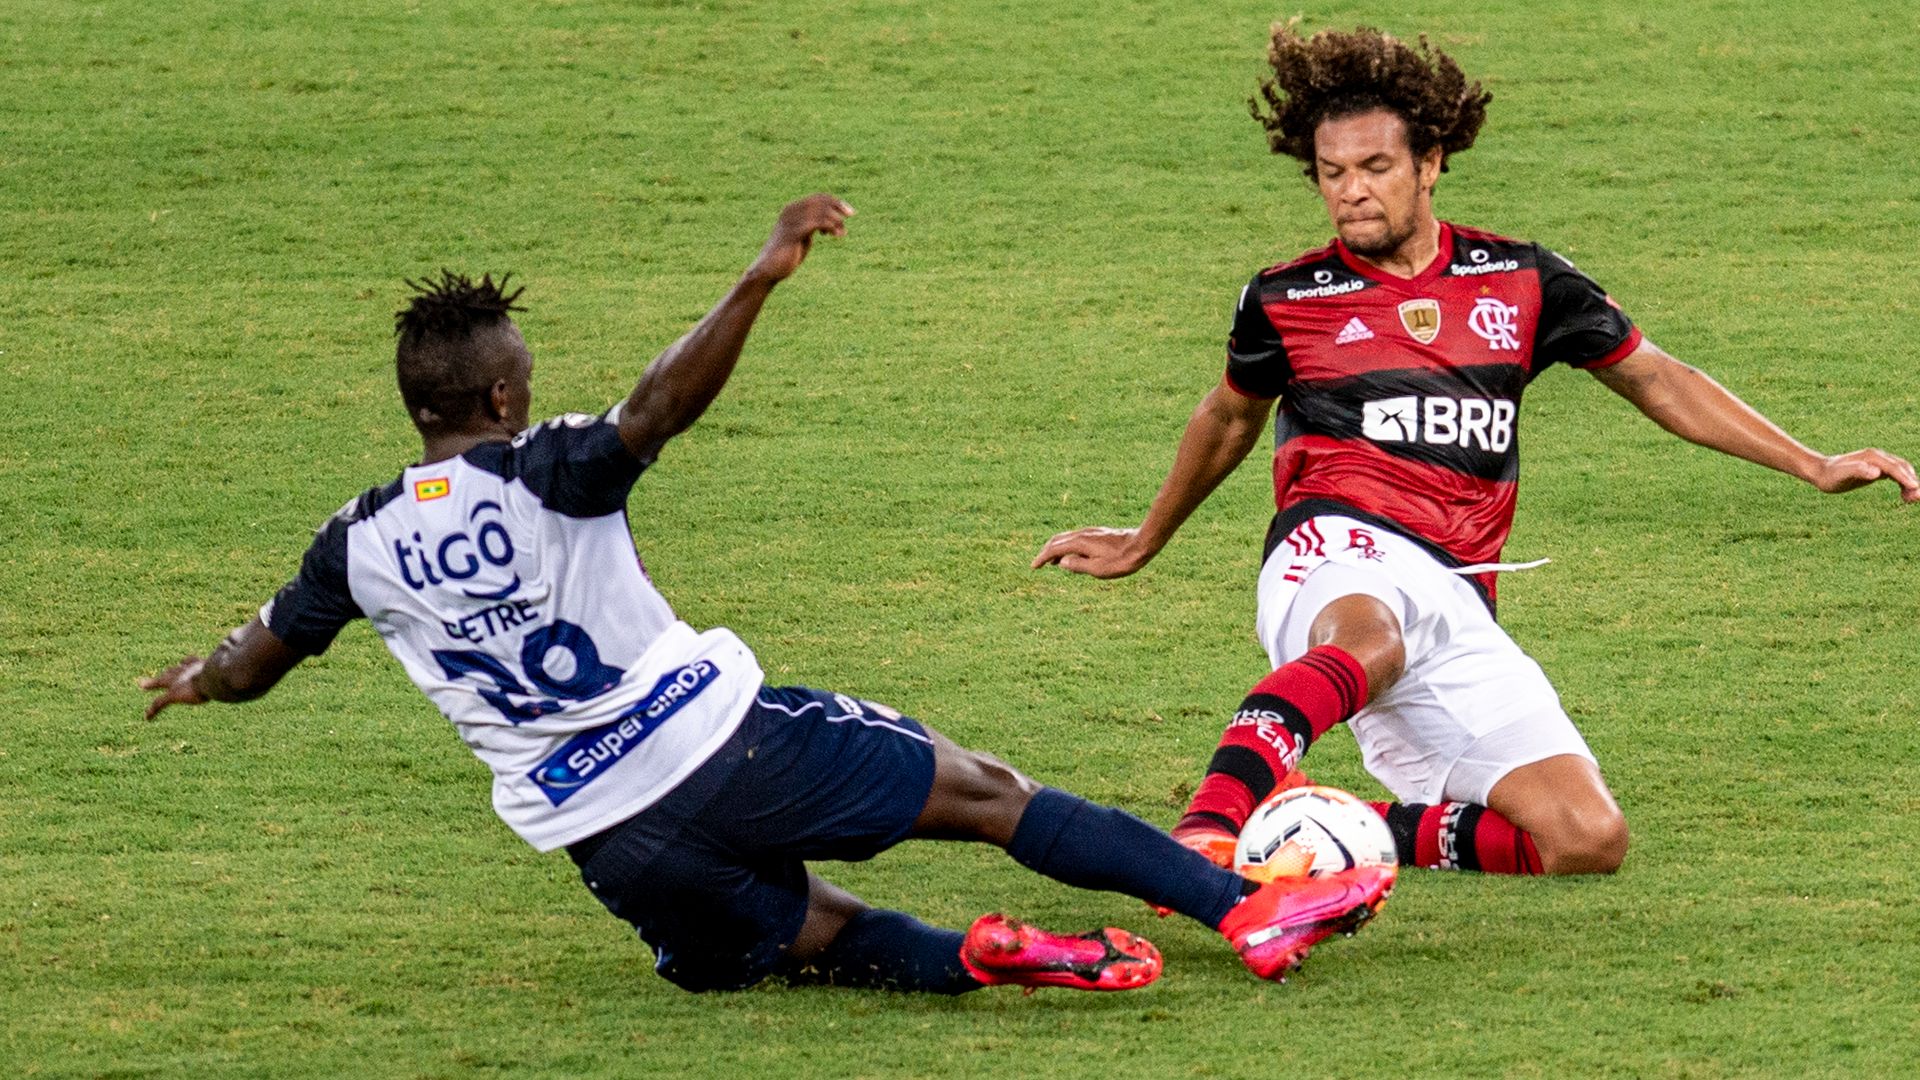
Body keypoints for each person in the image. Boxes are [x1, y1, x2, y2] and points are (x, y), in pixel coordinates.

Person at [139, 194, 1393, 995]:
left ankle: (988, 959)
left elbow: (252, 664)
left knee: (806, 943)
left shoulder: (353, 543)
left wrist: (195, 677)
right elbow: (658, 408)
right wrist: (758, 278)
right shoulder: (544, 468)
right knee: (989, 795)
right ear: (502, 399)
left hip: (612, 842)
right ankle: (1245, 911)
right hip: (725, 749)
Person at [1033, 26, 1917, 879]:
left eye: (1376, 168)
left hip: (1457, 588)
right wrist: (1145, 537)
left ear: (1430, 163)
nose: (1353, 191)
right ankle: (1204, 833)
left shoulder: (1523, 279)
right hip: (1333, 544)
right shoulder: (1286, 296)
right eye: (1332, 174)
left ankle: (1320, 831)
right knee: (1371, 634)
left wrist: (1812, 462)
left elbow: (1657, 379)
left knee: (1583, 838)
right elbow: (1228, 419)